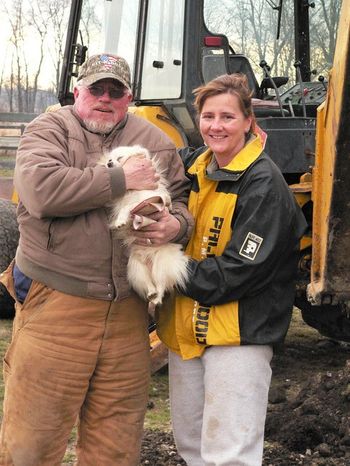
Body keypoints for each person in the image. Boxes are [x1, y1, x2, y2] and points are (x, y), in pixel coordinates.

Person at [0, 53, 193, 466]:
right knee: (29, 444)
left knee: (116, 446)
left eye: (115, 91)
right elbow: (40, 192)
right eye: (96, 89)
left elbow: (181, 198)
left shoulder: (156, 138)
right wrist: (121, 180)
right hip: (56, 306)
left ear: (130, 97)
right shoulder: (48, 128)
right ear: (78, 91)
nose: (105, 99)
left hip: (129, 314)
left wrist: (177, 225)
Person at [156, 73, 307, 466]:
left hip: (239, 337)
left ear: (247, 122)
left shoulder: (264, 185)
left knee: (230, 454)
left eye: (227, 116)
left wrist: (165, 266)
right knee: (191, 446)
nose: (216, 126)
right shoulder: (194, 169)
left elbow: (238, 272)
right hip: (186, 331)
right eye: (208, 116)